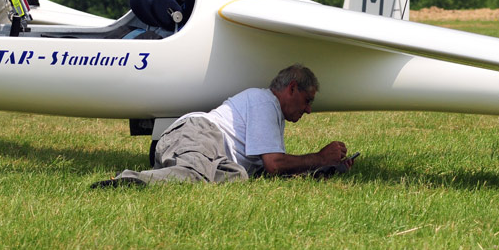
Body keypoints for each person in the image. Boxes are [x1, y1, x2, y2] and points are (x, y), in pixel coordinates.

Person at [92, 64, 355, 187]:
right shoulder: (264, 101)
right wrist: (319, 156)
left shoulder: (270, 111)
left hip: (209, 149)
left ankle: (161, 177)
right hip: (199, 134)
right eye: (307, 101)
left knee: (237, 177)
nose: (308, 110)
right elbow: (276, 164)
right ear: (292, 88)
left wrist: (326, 168)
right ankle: (128, 181)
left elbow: (272, 171)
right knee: (195, 175)